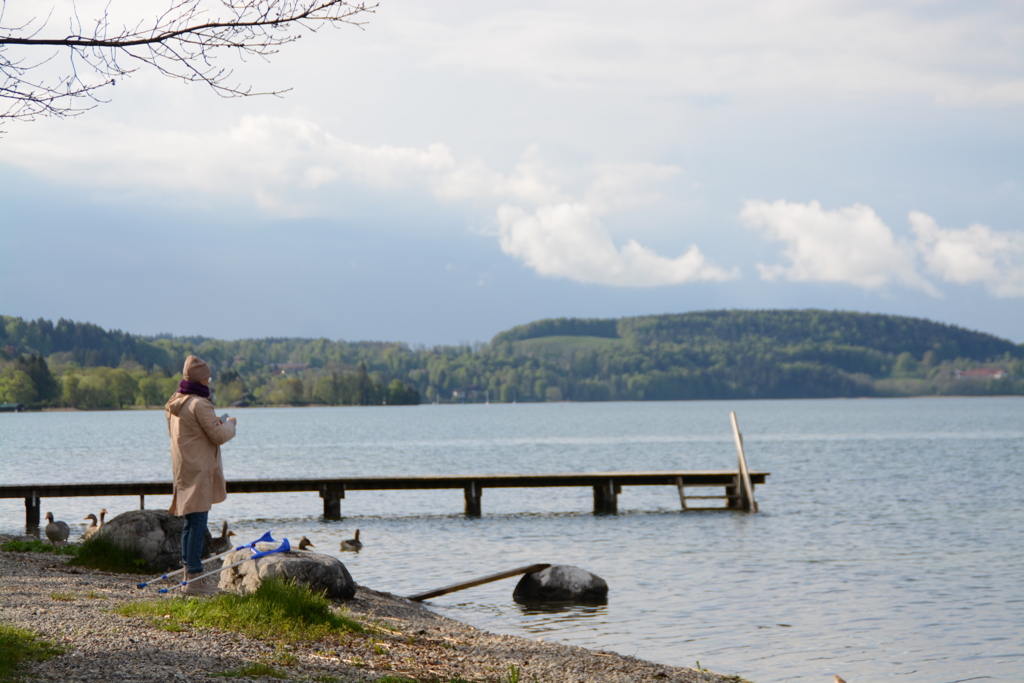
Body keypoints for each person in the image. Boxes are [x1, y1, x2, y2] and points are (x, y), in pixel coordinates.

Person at [165, 355, 237, 595]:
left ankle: (189, 576)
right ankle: (195, 581)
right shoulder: (200, 403)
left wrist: (214, 424)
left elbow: (189, 431)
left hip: (184, 467)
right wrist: (230, 424)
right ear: (203, 378)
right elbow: (219, 436)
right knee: (197, 522)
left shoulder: (176, 401)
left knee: (190, 522)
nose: (209, 380)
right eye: (208, 377)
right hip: (199, 469)